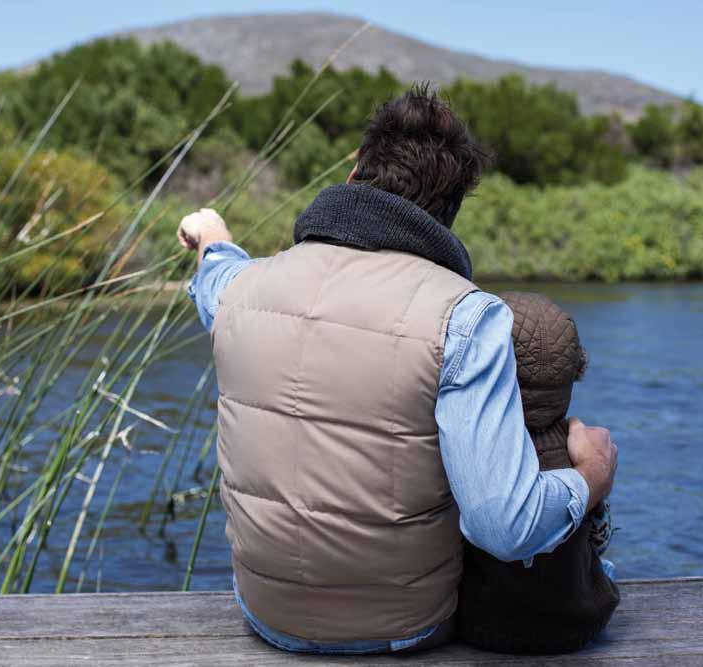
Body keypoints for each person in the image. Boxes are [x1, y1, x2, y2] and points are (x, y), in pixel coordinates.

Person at [179, 84, 618, 655]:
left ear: (356, 169)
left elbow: (212, 281)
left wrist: (212, 238)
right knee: (546, 448)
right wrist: (590, 478)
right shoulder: (466, 317)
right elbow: (503, 528)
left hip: (266, 617)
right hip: (404, 630)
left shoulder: (243, 289)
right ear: (451, 209)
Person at [456, 291, 620, 654]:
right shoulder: (582, 448)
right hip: (579, 625)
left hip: (483, 626)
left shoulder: (475, 449)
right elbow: (599, 538)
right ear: (576, 371)